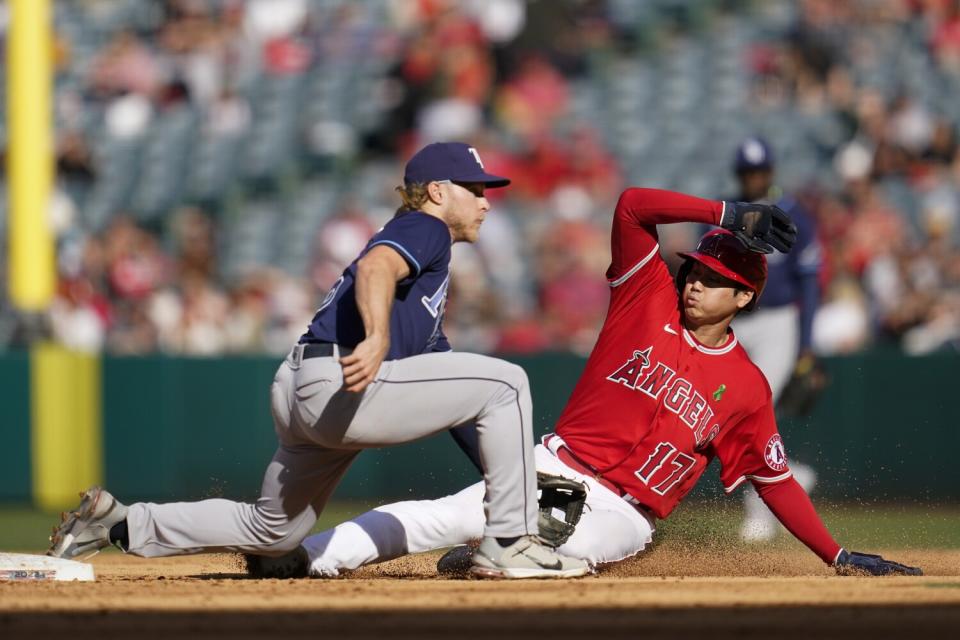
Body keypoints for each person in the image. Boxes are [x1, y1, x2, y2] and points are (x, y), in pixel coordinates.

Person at [248, 187, 921, 579]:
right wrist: (721, 210)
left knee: (564, 552)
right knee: (439, 514)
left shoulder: (745, 388)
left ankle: (489, 558)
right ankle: (304, 557)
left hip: (623, 513)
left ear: (744, 298)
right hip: (550, 460)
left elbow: (772, 480)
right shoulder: (647, 298)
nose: (695, 282)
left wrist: (834, 554)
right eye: (695, 271)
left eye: (716, 281)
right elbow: (632, 208)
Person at [47, 142, 588, 580]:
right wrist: (376, 338)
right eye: (476, 189)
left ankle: (118, 524)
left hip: (307, 386)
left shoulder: (429, 275)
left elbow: (456, 394)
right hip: (344, 378)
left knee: (272, 531)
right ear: (439, 192)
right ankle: (512, 542)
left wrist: (509, 472)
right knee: (509, 380)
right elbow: (376, 267)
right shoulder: (427, 227)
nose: (486, 201)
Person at [728, 137, 824, 542]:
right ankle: (793, 475)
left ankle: (761, 512)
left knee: (756, 411)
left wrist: (806, 343)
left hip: (778, 322)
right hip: (735, 318)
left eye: (760, 170)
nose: (755, 178)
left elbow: (810, 283)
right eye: (748, 172)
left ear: (771, 171)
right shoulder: (726, 211)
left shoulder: (794, 213)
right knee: (730, 414)